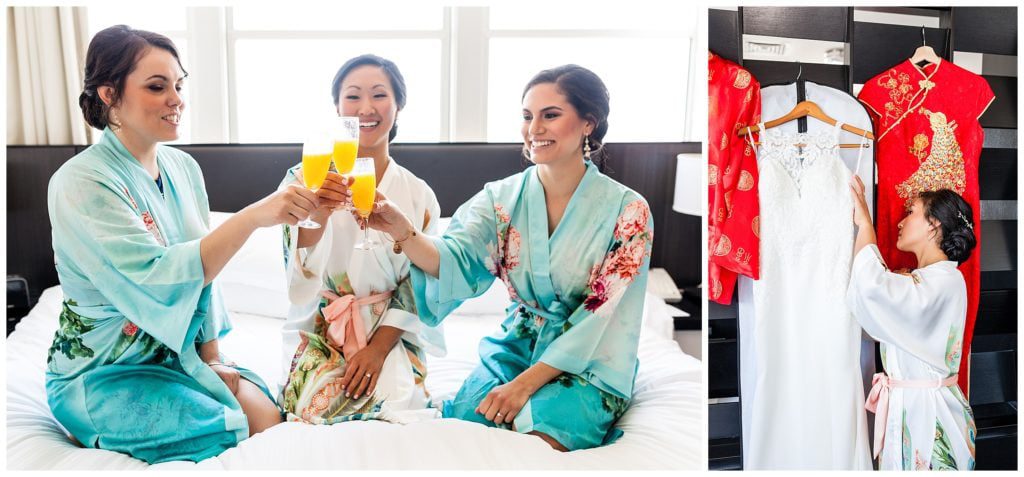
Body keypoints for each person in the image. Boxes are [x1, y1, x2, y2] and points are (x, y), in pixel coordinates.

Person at [45, 25, 318, 463]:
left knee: (269, 420)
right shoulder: (80, 182)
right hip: (105, 372)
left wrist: (212, 357)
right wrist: (254, 216)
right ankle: (96, 425)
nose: (177, 99)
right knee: (226, 431)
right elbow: (158, 277)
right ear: (109, 94)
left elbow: (204, 275)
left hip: (180, 355)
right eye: (157, 86)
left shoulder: (183, 168)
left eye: (179, 84)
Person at [360, 64, 653, 451]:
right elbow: (451, 260)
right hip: (517, 344)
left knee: (539, 438)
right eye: (527, 116)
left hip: (590, 359)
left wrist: (523, 386)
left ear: (588, 123)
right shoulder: (499, 199)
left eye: (550, 115)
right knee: (463, 433)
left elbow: (603, 315)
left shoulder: (628, 210)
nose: (534, 129)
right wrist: (403, 230)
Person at [278, 54, 445, 424]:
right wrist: (318, 214)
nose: (366, 108)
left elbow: (424, 278)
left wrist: (378, 349)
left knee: (399, 404)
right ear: (337, 107)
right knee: (314, 408)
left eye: (379, 95)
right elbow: (296, 276)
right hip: (322, 326)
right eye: (353, 96)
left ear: (398, 105)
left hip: (390, 330)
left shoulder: (418, 194)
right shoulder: (303, 179)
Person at [849, 178, 977, 470]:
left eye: (912, 212)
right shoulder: (927, 281)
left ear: (933, 224)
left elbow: (873, 288)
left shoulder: (946, 280)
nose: (900, 222)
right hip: (907, 406)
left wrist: (866, 227)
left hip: (930, 413)